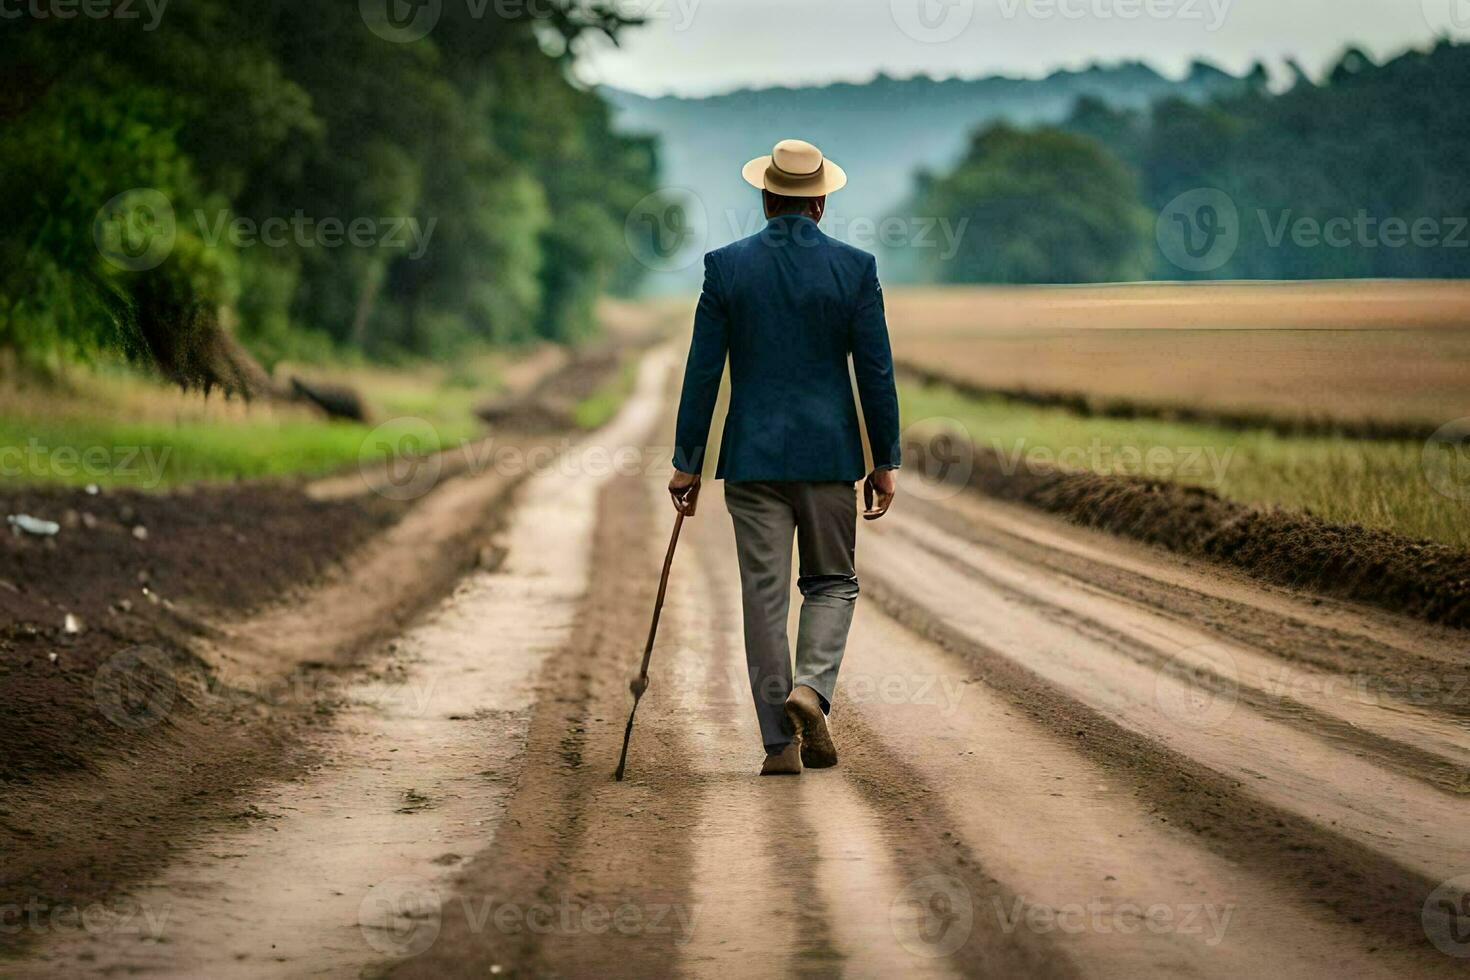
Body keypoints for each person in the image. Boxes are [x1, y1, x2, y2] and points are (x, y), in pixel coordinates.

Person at [667, 138, 901, 776]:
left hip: (753, 460)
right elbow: (875, 372)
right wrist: (885, 459)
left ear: (768, 197)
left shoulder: (726, 267)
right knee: (831, 582)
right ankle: (812, 688)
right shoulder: (855, 269)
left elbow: (702, 372)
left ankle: (778, 746)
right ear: (820, 201)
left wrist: (687, 461)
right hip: (829, 460)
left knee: (763, 597)